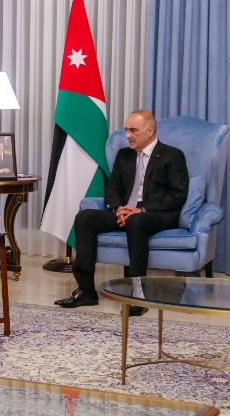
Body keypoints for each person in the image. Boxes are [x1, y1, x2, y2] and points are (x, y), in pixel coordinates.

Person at [55, 110, 189, 314]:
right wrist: (118, 209)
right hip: (126, 211)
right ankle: (86, 290)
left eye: (133, 130)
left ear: (150, 130)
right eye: (127, 130)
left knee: (136, 221)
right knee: (85, 217)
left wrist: (141, 210)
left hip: (157, 214)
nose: (127, 135)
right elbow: (112, 189)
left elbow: (178, 195)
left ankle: (137, 295)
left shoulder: (172, 155)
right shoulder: (124, 155)